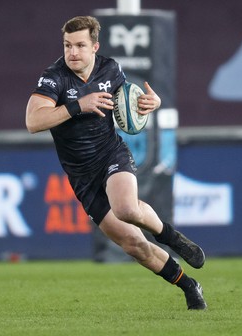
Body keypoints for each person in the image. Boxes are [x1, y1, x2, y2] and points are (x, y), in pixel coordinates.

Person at [26, 15, 207, 310]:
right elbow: (33, 122)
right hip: (81, 177)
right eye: (67, 45)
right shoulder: (54, 78)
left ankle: (173, 238)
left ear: (95, 46)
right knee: (133, 245)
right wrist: (76, 106)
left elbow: (130, 102)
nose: (72, 52)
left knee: (126, 208)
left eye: (80, 45)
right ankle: (189, 285)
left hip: (111, 154)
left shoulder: (111, 69)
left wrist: (151, 104)